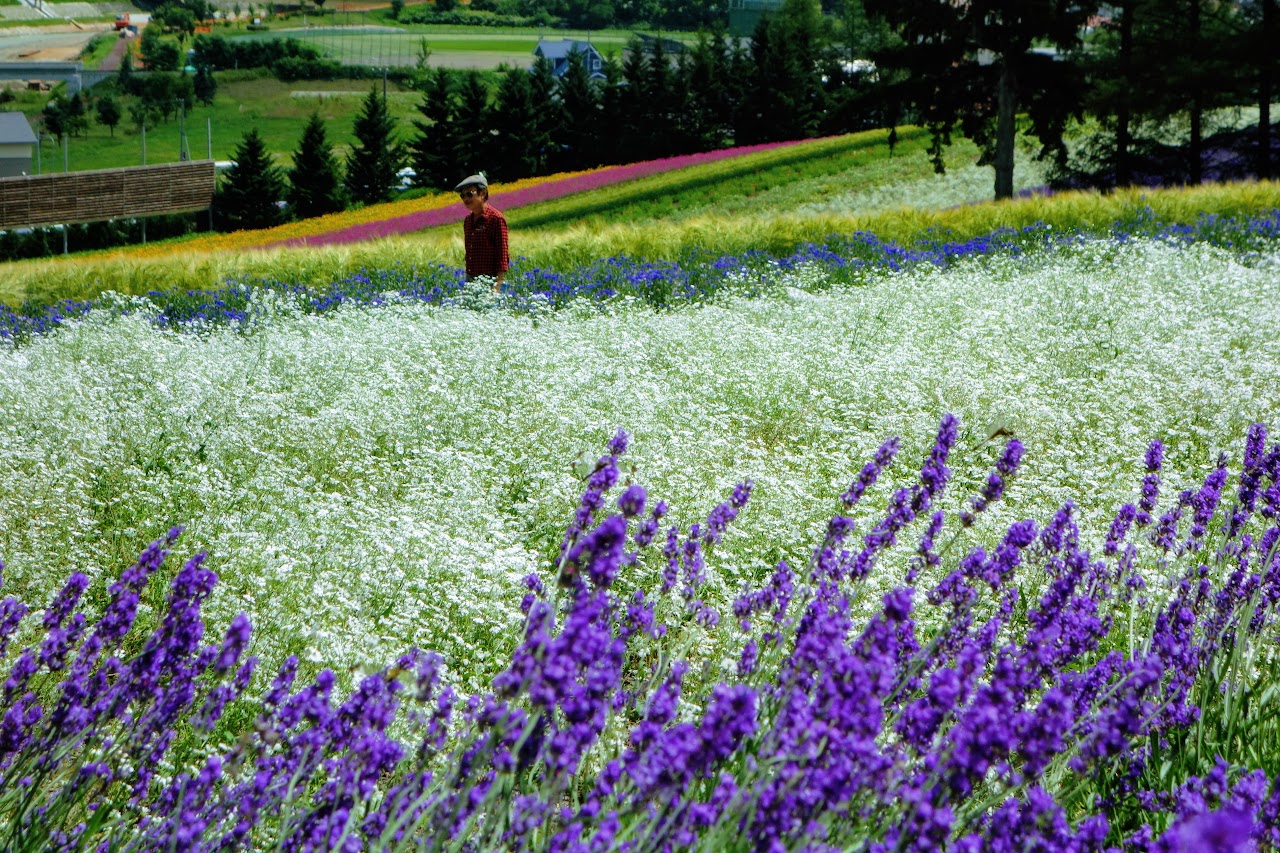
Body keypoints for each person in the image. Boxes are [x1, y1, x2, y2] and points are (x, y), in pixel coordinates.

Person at [455, 173, 509, 293]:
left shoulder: (496, 219)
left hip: (490, 280)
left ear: (483, 193)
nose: (465, 199)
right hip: (470, 280)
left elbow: (502, 254)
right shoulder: (468, 221)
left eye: (470, 194)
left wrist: (498, 285)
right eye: (462, 196)